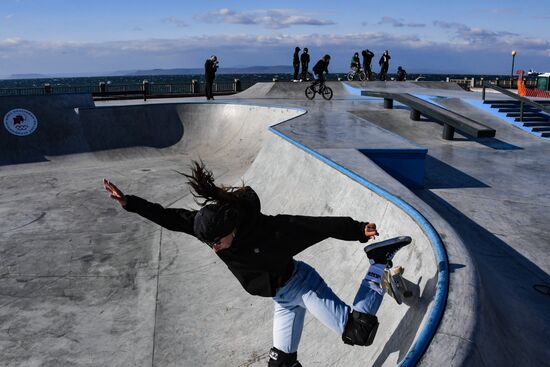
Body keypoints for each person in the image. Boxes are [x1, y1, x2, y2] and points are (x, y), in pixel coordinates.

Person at [102, 161, 411, 366]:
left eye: (218, 243)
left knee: (358, 333)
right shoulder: (205, 226)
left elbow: (315, 226)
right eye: (211, 245)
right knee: (281, 364)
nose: (214, 250)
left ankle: (378, 263)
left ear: (231, 231)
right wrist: (130, 202)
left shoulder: (271, 231)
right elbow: (169, 218)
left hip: (302, 285)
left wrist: (356, 229)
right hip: (282, 299)